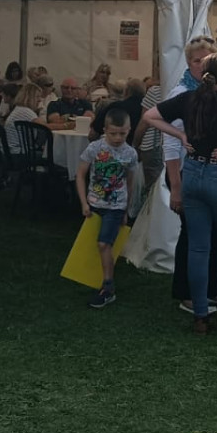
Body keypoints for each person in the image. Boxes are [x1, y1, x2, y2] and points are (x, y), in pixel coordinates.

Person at [143, 54, 217, 334]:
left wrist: (180, 135)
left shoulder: (189, 99)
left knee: (198, 247)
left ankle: (200, 316)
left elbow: (149, 116)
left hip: (193, 174)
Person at [160, 36, 217, 313]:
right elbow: (170, 142)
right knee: (192, 234)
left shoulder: (215, 93)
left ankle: (210, 288)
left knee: (213, 234)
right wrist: (175, 185)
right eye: (196, 60)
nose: (201, 65)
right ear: (188, 62)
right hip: (185, 172)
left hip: (209, 172)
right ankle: (187, 293)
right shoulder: (181, 93)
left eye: (207, 60)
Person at [77, 108, 139, 310]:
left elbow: (130, 182)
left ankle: (108, 286)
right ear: (104, 130)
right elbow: (80, 175)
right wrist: (84, 203)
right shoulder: (95, 148)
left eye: (122, 133)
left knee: (104, 244)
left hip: (115, 206)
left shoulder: (130, 153)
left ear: (129, 130)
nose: (118, 138)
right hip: (95, 203)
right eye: (113, 133)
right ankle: (93, 275)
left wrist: (126, 210)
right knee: (96, 244)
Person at [133, 71, 164, 212]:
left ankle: (151, 221)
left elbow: (144, 122)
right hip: (176, 146)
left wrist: (136, 144)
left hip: (153, 145)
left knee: (153, 190)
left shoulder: (155, 92)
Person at [3, 83, 48, 155]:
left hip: (12, 151)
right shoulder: (26, 111)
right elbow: (46, 127)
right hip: (19, 154)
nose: (40, 100)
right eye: (37, 97)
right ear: (29, 97)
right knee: (53, 156)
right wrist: (65, 125)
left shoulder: (19, 109)